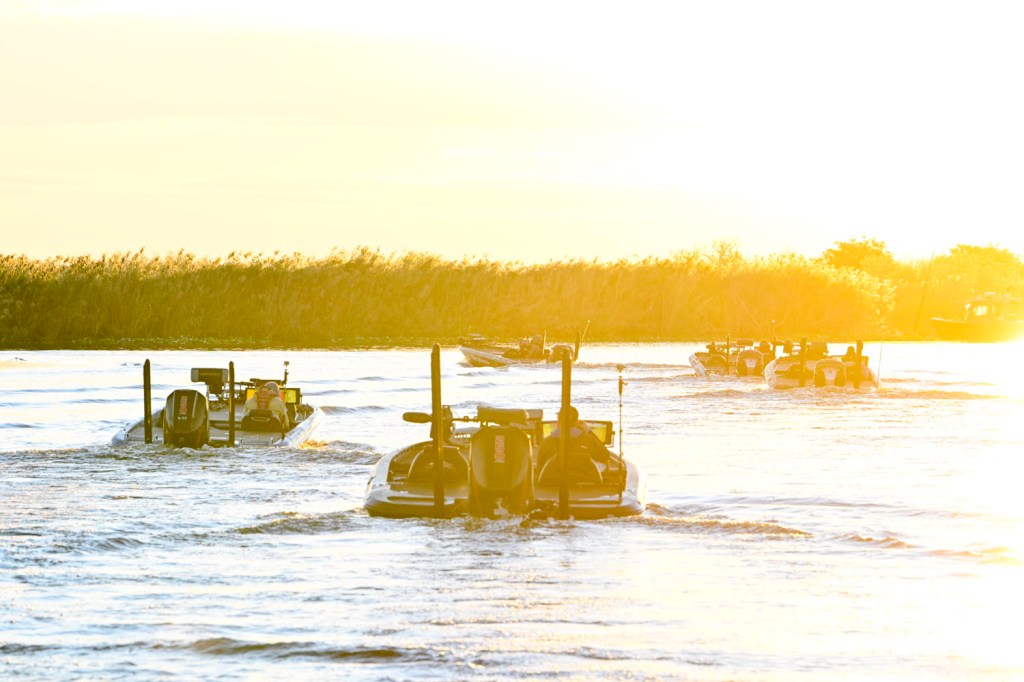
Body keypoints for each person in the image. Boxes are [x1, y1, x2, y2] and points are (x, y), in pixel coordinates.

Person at [537, 405, 612, 468]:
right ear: (576, 421)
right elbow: (605, 456)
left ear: (559, 421)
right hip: (583, 479)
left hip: (555, 479)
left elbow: (540, 467)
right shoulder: (589, 440)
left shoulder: (545, 443)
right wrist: (589, 431)